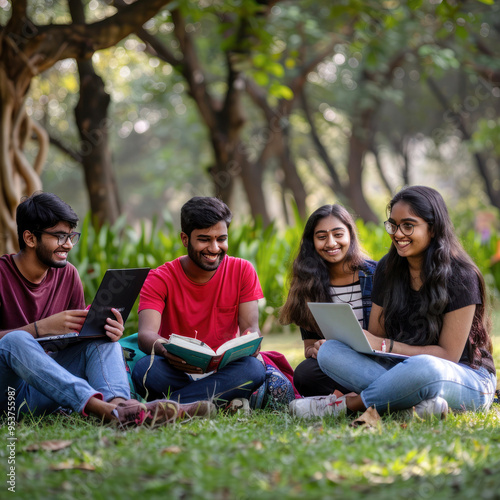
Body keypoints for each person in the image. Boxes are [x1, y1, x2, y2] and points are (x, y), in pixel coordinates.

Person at [0, 192, 213, 427]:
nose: (69, 244)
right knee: (14, 340)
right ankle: (101, 409)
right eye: (60, 237)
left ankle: (123, 407)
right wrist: (40, 329)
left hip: (48, 390)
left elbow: (75, 341)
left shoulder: (67, 274)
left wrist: (103, 328)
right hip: (8, 396)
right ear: (30, 238)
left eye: (71, 236)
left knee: (100, 340)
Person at [290, 186, 497, 418]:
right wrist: (364, 343)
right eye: (393, 225)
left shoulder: (461, 275)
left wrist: (387, 346)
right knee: (329, 351)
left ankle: (348, 406)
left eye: (408, 225)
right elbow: (375, 342)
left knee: (424, 367)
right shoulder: (387, 269)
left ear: (433, 227)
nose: (398, 234)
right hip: (401, 369)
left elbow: (447, 355)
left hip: (461, 374)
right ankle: (411, 407)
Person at [132, 196, 266, 407]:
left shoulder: (243, 270)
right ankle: (218, 400)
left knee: (253, 369)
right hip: (177, 369)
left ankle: (172, 406)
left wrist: (251, 342)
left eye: (221, 239)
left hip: (225, 369)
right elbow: (146, 335)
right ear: (185, 239)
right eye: (204, 239)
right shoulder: (159, 278)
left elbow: (251, 328)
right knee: (144, 371)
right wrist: (166, 349)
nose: (214, 248)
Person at [279, 204, 377, 397]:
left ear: (350, 235)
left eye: (338, 234)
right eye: (322, 237)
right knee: (305, 374)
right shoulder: (307, 282)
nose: (331, 243)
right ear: (312, 242)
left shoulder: (375, 274)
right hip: (337, 362)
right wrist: (316, 349)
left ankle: (347, 398)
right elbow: (309, 347)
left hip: (376, 359)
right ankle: (371, 393)